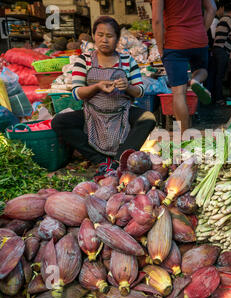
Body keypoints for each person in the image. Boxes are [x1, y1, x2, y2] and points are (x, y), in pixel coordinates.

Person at [51, 16, 156, 179]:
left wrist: (127, 87)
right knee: (59, 122)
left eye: (109, 36)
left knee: (148, 118)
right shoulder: (84, 60)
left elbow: (140, 91)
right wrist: (96, 87)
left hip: (122, 112)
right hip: (92, 114)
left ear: (117, 39)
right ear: (94, 36)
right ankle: (100, 160)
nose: (104, 40)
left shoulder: (128, 60)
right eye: (100, 35)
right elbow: (76, 92)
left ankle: (119, 160)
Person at [151, 0, 217, 134]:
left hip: (174, 43)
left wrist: (160, 47)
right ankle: (196, 80)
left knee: (179, 93)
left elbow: (157, 21)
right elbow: (212, 9)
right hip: (198, 39)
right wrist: (200, 30)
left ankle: (184, 136)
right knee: (202, 70)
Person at [212, 2, 231, 107]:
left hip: (217, 50)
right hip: (221, 51)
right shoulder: (229, 19)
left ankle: (216, 97)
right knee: (220, 76)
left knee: (217, 75)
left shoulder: (222, 19)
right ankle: (219, 99)